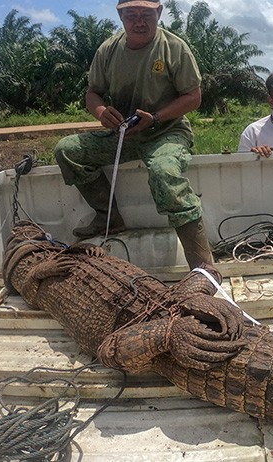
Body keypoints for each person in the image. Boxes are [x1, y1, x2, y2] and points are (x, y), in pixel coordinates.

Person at [54, 0, 213, 269]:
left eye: (146, 14)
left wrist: (156, 117)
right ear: (120, 16)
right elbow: (93, 93)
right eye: (131, 15)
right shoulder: (108, 50)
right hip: (124, 136)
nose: (139, 21)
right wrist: (101, 112)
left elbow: (193, 97)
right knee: (67, 151)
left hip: (167, 132)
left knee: (164, 172)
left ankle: (204, 268)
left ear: (158, 13)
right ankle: (108, 218)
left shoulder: (174, 48)